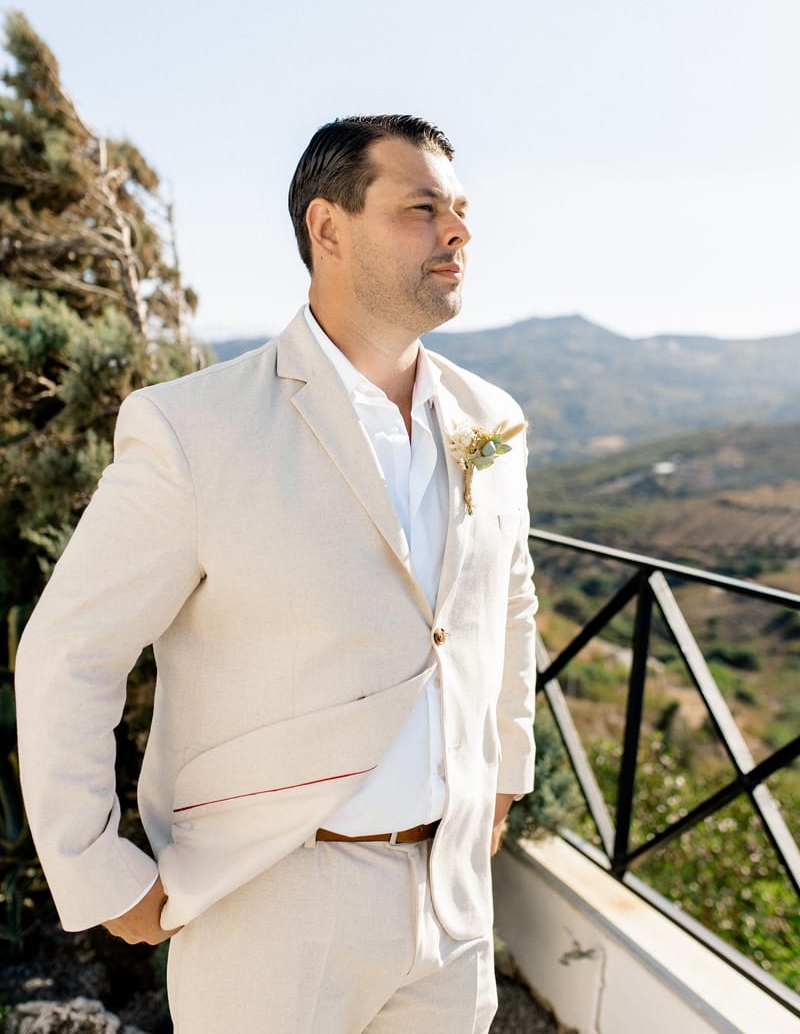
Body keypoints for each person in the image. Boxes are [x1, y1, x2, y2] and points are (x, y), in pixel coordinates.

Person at [15, 114, 538, 1032]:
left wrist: (503, 775)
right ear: (326, 229)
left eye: (460, 210)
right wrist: (96, 867)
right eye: (421, 209)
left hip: (453, 910)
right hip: (273, 905)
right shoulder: (193, 430)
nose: (457, 231)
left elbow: (509, 599)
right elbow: (70, 650)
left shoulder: (490, 418)